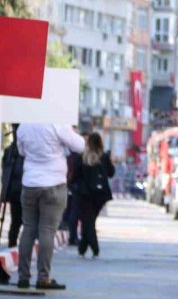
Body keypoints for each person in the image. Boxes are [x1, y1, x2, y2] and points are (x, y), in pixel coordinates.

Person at [15, 123, 85, 289]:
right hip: (53, 183)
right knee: (47, 231)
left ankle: (23, 277)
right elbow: (80, 146)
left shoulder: (24, 125)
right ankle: (43, 277)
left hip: (30, 183)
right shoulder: (56, 123)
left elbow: (21, 151)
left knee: (28, 229)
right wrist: (71, 131)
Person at [73, 133, 115, 258]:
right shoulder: (104, 157)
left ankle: (94, 248)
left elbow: (75, 176)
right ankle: (83, 248)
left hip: (84, 195)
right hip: (100, 195)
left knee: (88, 221)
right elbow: (111, 173)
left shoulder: (82, 157)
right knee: (89, 221)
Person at [1, 124, 25, 249]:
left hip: (15, 189)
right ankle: (13, 245)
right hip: (21, 188)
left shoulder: (10, 149)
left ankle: (13, 245)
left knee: (16, 221)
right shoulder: (17, 150)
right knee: (20, 221)